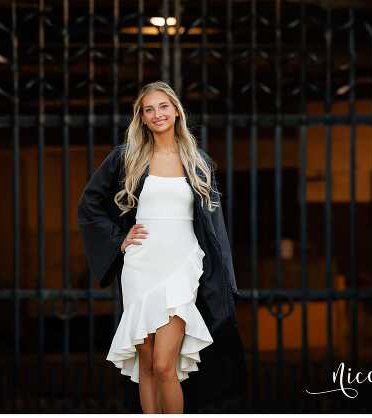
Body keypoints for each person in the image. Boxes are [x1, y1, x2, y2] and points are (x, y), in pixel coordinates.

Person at [77, 81, 246, 413]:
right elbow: (89, 204)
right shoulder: (127, 158)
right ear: (141, 117)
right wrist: (118, 239)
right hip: (141, 266)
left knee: (166, 365)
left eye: (163, 106)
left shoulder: (198, 161)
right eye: (149, 109)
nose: (157, 114)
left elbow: (215, 226)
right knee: (147, 367)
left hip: (182, 265)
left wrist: (224, 275)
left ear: (176, 110)